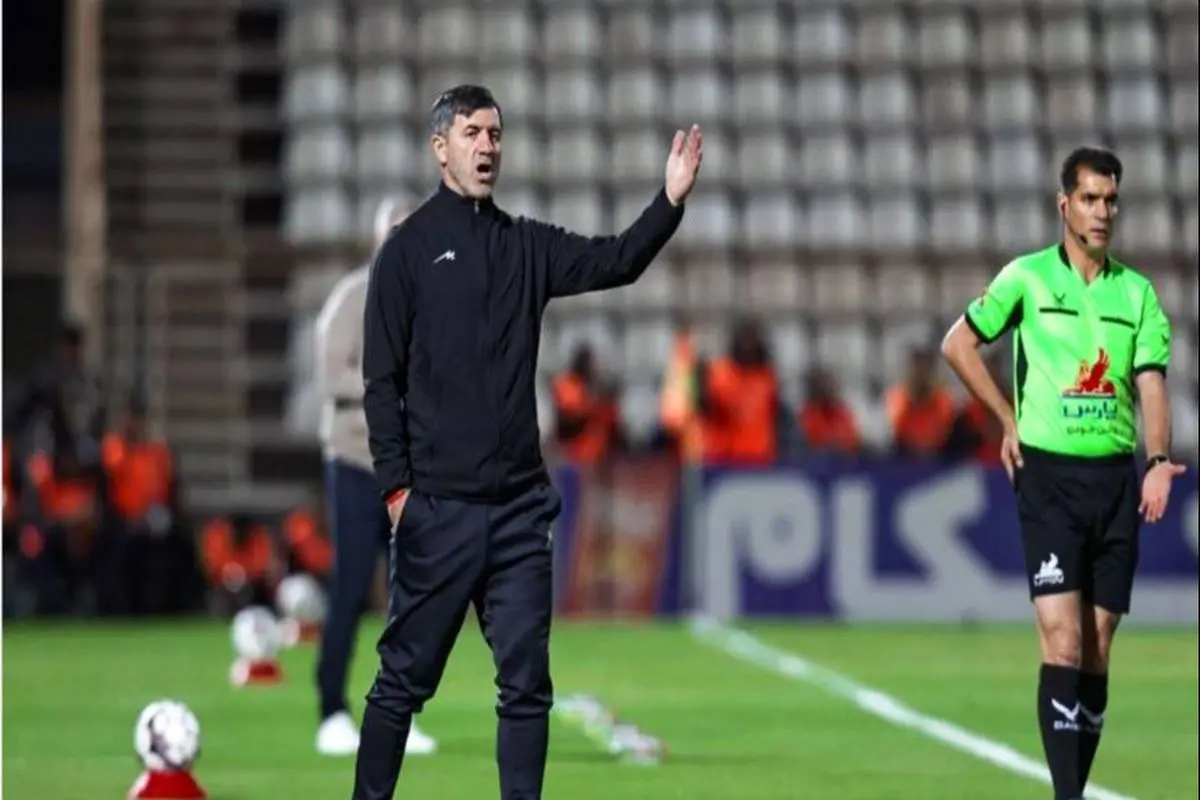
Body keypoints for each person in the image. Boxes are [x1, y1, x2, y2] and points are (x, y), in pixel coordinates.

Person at [356, 84, 702, 800]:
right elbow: (379, 381)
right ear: (440, 147)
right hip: (438, 511)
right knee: (401, 684)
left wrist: (669, 201)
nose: (488, 146)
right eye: (473, 133)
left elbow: (618, 260)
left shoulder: (526, 245)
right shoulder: (406, 253)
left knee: (526, 688)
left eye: (496, 134)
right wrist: (398, 493)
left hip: (518, 513)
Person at [941, 146, 1186, 800]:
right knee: (1063, 641)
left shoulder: (1137, 294)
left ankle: (1072, 785)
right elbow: (958, 344)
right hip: (1048, 478)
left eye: (1111, 201)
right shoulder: (1025, 279)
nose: (1102, 212)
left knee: (1098, 645)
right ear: (1064, 205)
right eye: (1090, 199)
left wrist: (1156, 461)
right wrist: (1006, 417)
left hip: (1114, 480)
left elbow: (1152, 385)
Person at [312, 198, 437, 758]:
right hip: (355, 462)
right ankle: (332, 709)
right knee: (351, 586)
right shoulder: (353, 298)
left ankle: (397, 713)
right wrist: (385, 386)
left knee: (409, 595)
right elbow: (329, 374)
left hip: (406, 470)